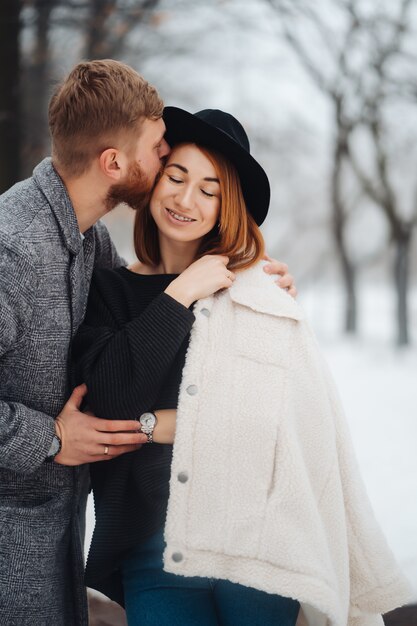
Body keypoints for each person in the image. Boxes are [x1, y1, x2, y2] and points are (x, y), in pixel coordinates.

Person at [72, 107, 411, 626]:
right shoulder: (111, 289)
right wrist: (181, 292)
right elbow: (112, 392)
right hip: (154, 552)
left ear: (226, 207)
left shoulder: (257, 295)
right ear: (155, 181)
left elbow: (268, 425)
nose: (186, 200)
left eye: (209, 190)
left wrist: (152, 425)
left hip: (254, 547)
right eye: (176, 177)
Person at [0, 60, 295, 625]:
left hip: (73, 534)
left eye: (207, 187)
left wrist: (262, 276)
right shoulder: (15, 249)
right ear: (115, 162)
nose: (166, 163)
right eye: (161, 151)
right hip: (28, 539)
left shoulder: (85, 248)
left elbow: (274, 418)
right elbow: (117, 370)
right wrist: (50, 435)